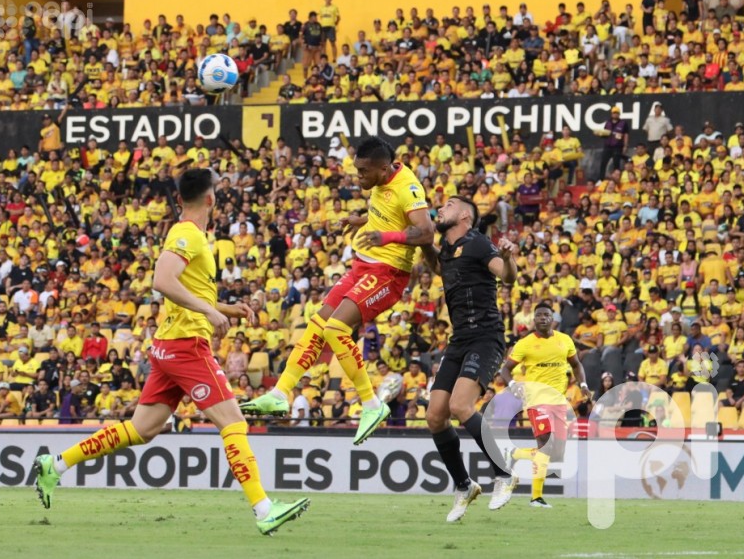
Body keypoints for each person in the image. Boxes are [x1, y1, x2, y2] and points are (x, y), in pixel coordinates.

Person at [33, 168, 309, 536]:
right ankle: (264, 509)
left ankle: (56, 464)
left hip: (168, 345)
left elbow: (189, 290)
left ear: (180, 198)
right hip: (186, 346)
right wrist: (211, 312)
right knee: (235, 424)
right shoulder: (186, 234)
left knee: (142, 429)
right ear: (211, 198)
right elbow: (162, 282)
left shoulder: (191, 236)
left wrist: (225, 308)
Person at [241, 136, 434, 445]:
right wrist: (361, 219)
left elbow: (426, 232)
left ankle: (372, 405)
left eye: (363, 172)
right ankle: (279, 394)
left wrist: (386, 237)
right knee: (317, 324)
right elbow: (385, 210)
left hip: (389, 273)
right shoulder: (383, 181)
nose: (358, 178)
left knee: (335, 328)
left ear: (384, 170)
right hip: (363, 266)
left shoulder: (407, 186)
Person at [422, 195, 519, 521]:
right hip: (459, 341)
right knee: (435, 416)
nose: (441, 207)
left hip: (486, 338)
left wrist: (507, 259)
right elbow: (437, 264)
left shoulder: (478, 243)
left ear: (465, 215)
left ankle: (503, 472)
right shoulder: (448, 249)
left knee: (460, 406)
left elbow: (506, 276)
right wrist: (422, 241)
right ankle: (464, 485)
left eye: (448, 204)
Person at [500, 302, 590, 509]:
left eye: (546, 315)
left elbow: (576, 364)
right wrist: (513, 385)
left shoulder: (565, 340)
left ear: (553, 319)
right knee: (545, 443)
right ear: (534, 319)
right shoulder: (525, 343)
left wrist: (583, 384)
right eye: (539, 315)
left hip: (559, 401)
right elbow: (506, 370)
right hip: (536, 400)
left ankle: (514, 454)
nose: (542, 318)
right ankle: (536, 497)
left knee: (557, 454)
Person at [598, 106, 629, 180]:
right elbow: (605, 133)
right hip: (608, 146)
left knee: (616, 163)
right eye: (614, 113)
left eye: (617, 113)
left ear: (619, 114)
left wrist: (625, 146)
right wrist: (600, 134)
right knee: (603, 162)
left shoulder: (623, 123)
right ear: (611, 114)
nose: (615, 115)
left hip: (617, 146)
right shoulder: (607, 123)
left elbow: (626, 135)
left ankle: (616, 179)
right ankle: (601, 179)